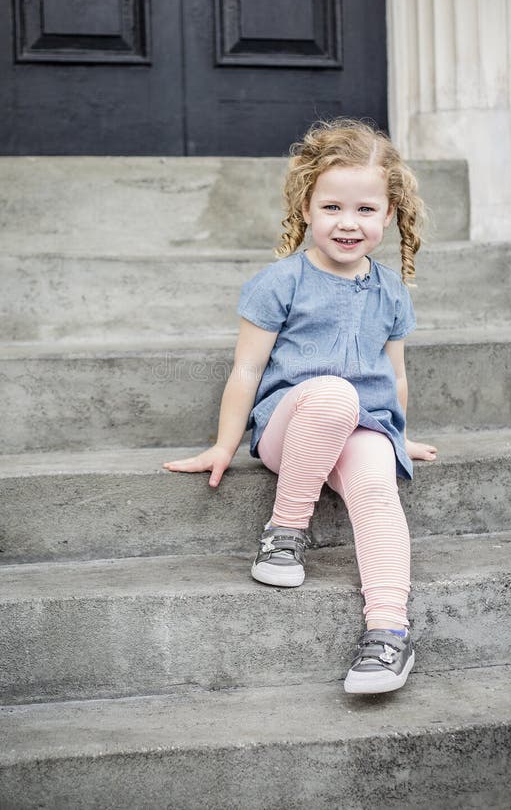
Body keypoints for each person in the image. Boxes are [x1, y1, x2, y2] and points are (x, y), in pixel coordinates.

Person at [164, 118, 437, 694]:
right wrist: (223, 444)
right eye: (332, 206)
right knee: (334, 393)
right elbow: (246, 370)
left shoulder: (390, 292)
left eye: (366, 210)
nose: (348, 223)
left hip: (361, 425)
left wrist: (398, 434)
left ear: (389, 215)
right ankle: (285, 532)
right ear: (306, 207)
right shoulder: (279, 282)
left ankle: (388, 634)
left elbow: (395, 376)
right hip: (289, 427)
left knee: (374, 478)